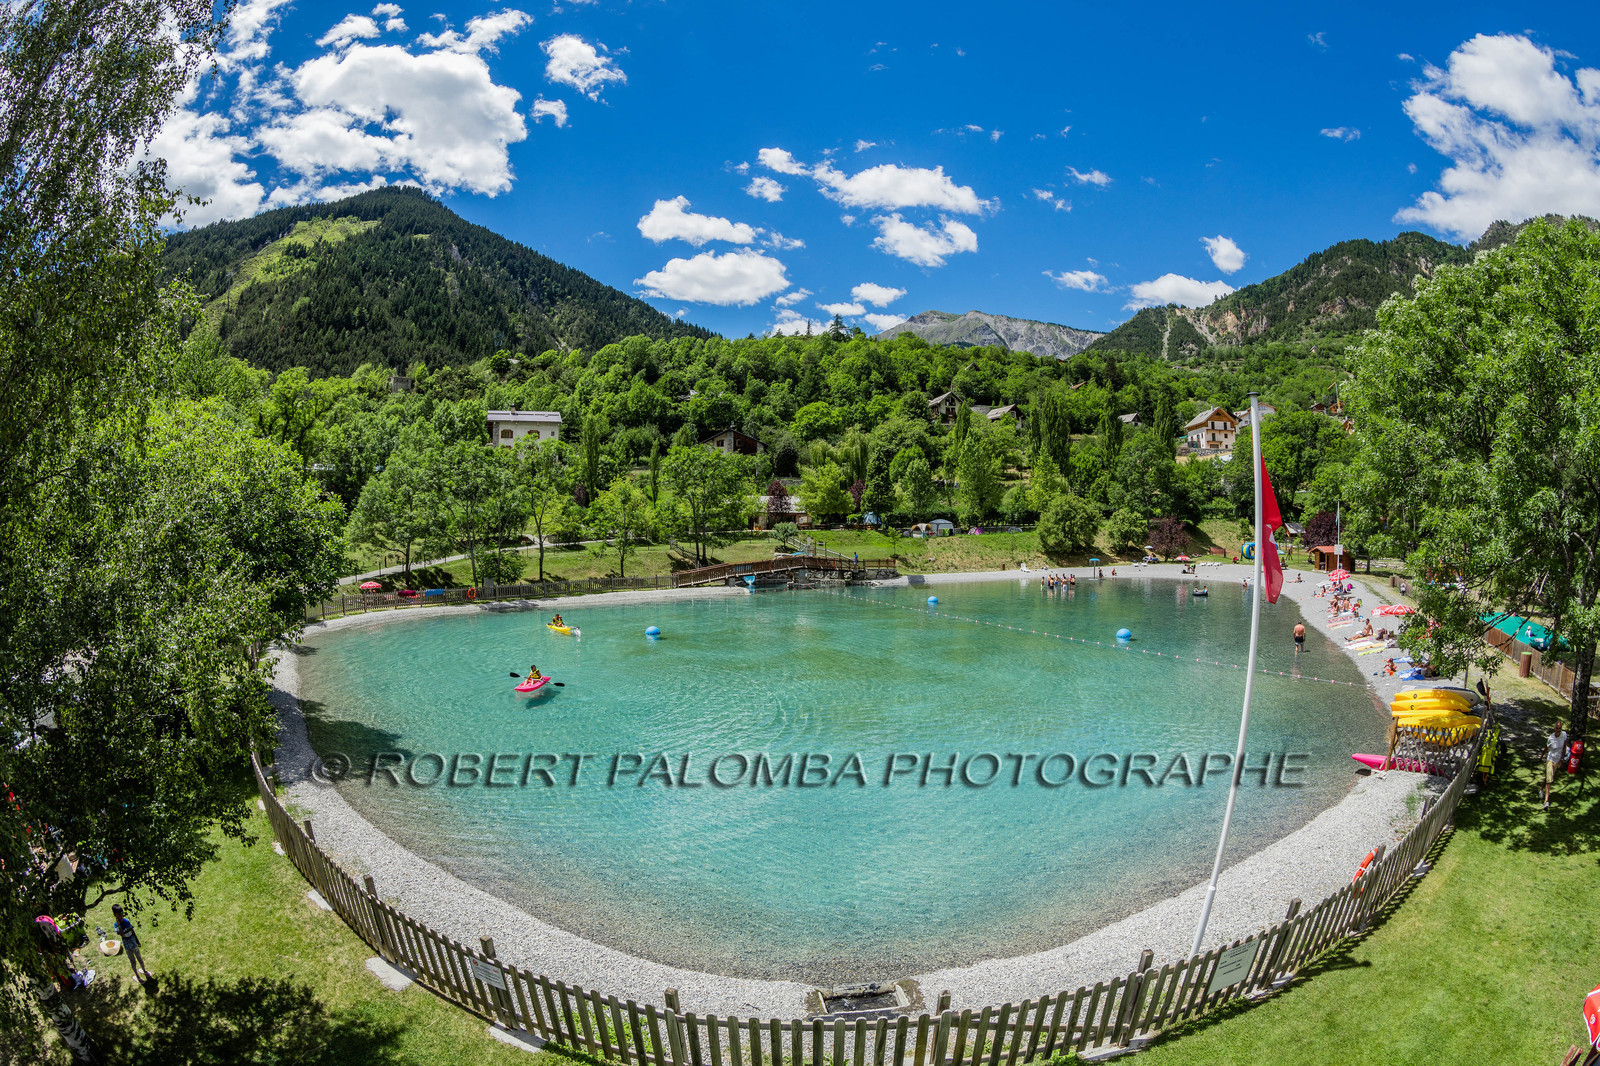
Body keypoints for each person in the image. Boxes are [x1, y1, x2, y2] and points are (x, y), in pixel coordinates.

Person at [112, 904, 152, 981]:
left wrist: (137, 940)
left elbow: (132, 930)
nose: (121, 916)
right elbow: (122, 935)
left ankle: (144, 970)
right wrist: (119, 925)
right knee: (133, 961)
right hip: (127, 947)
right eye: (119, 915)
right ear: (115, 915)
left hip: (133, 943)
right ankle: (137, 976)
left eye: (122, 914)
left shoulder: (126, 921)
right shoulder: (116, 925)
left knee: (139, 958)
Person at [1543, 721, 1568, 808]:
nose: (1558, 730)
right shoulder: (1551, 738)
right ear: (1554, 728)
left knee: (1548, 778)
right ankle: (1546, 801)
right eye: (1557, 728)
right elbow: (1546, 748)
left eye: (1560, 728)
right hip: (1550, 759)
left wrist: (1561, 760)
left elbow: (1564, 747)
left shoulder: (1564, 735)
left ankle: (1541, 789)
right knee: (1550, 780)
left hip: (1557, 761)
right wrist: (1541, 756)